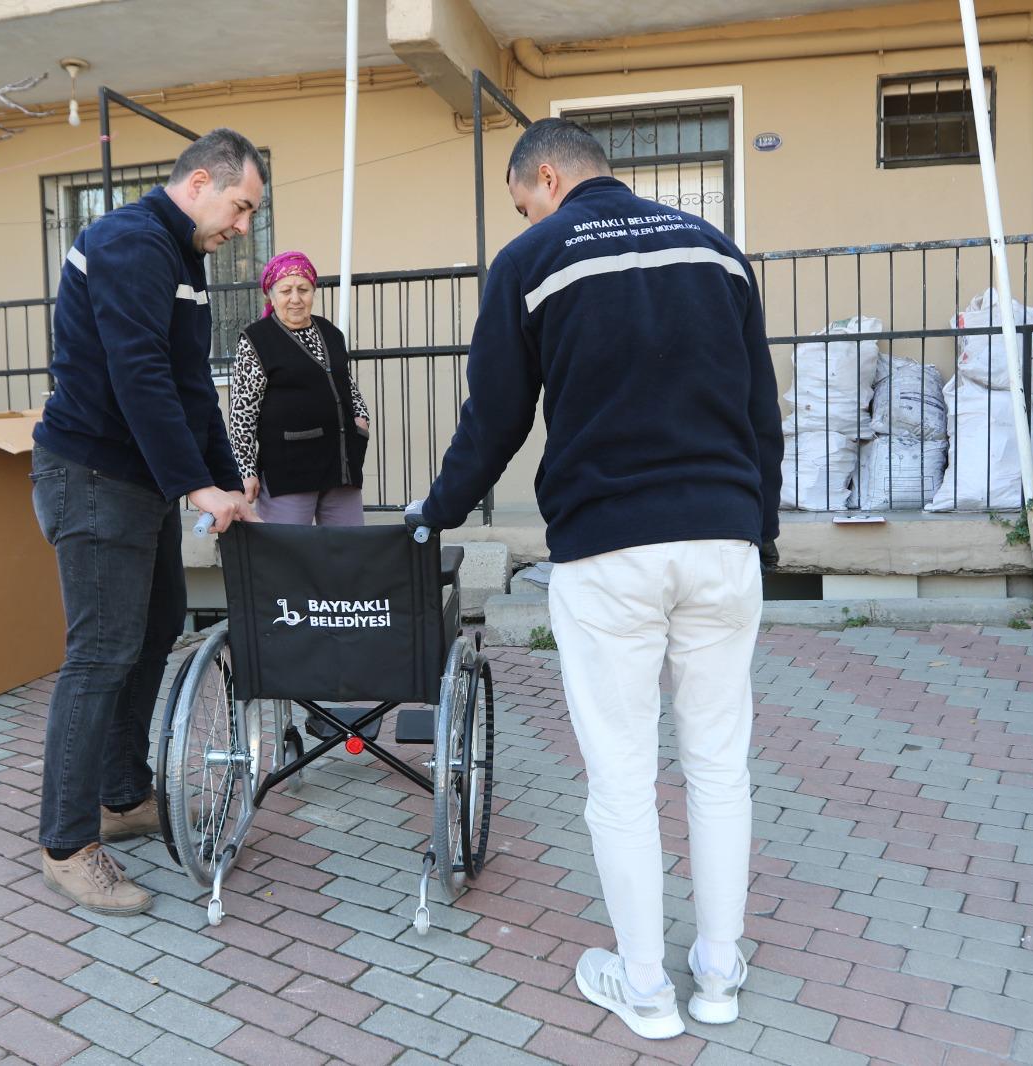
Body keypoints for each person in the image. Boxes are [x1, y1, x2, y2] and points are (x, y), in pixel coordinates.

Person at [405, 118, 783, 1039]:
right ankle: (720, 975)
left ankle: (645, 989)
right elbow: (760, 411)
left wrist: (433, 514)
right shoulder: (718, 250)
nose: (523, 213)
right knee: (718, 765)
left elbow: (493, 421)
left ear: (544, 176)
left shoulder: (531, 259)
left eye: (520, 198)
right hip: (721, 540)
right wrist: (758, 533)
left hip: (607, 548)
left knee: (621, 776)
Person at [30, 128, 265, 915]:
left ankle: (123, 794)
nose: (242, 228)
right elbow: (137, 377)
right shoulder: (132, 242)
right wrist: (196, 488)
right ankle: (67, 844)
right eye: (239, 207)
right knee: (100, 653)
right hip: (91, 476)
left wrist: (231, 483)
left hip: (134, 482)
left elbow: (191, 390)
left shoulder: (182, 260)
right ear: (199, 182)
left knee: (157, 625)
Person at [227, 250, 371, 525]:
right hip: (289, 470)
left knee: (349, 555)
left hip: (340, 466)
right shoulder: (257, 339)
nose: (295, 298)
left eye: (303, 289)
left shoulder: (330, 333)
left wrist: (361, 420)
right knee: (288, 558)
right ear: (271, 295)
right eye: (286, 290)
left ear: (313, 291)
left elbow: (346, 385)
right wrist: (246, 469)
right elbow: (242, 413)